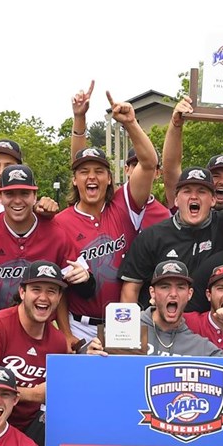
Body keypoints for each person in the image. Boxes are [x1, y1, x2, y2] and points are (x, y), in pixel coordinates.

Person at [119, 119, 223, 305]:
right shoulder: (152, 237)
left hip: (210, 325)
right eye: (187, 191)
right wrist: (134, 331)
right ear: (176, 199)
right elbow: (130, 290)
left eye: (202, 191)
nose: (194, 197)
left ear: (213, 200)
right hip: (163, 327)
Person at [55, 89, 157, 343]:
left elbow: (148, 163)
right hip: (80, 326)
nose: (91, 177)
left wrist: (131, 123)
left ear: (109, 178)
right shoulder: (60, 222)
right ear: (75, 179)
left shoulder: (124, 205)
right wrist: (66, 334)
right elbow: (59, 287)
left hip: (125, 322)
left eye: (99, 171)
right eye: (84, 172)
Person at [0, 163, 91, 338]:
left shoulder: (56, 232)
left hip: (42, 330)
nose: (17, 200)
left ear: (35, 195)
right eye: (9, 194)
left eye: (24, 193)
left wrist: (85, 278)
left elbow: (86, 290)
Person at [0, 262, 71, 445]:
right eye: (36, 289)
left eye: (51, 291)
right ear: (22, 292)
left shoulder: (58, 341)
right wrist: (32, 394)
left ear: (59, 298)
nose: (43, 297)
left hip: (31, 433)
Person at [89, 260, 223, 357]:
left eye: (180, 288)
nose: (173, 294)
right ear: (152, 292)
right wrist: (88, 354)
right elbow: (87, 367)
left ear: (189, 294)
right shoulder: (125, 329)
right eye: (165, 287)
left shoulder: (200, 347)